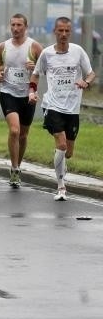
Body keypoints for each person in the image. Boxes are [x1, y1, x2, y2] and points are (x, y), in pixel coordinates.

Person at [28, 16, 95, 201]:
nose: (64, 34)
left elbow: (90, 73)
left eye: (67, 31)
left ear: (70, 32)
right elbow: (35, 76)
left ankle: (59, 158)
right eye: (60, 31)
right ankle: (61, 187)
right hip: (53, 105)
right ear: (55, 32)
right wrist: (31, 93)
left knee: (69, 152)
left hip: (72, 108)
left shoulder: (78, 51)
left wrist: (86, 82)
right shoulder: (47, 54)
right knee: (62, 144)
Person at [0, 14, 43, 189]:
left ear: (25, 27)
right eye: (13, 25)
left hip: (28, 95)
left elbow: (46, 67)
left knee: (23, 135)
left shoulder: (34, 46)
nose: (15, 28)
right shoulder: (3, 46)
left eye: (19, 25)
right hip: (8, 92)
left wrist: (35, 67)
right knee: (14, 130)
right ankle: (13, 169)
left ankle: (18, 166)